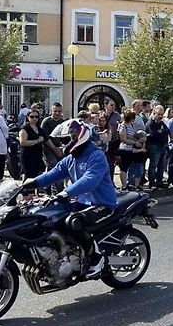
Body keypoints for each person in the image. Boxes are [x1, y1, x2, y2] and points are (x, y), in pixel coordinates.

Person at [24, 119, 117, 279]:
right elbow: (53, 174)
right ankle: (65, 254)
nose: (63, 143)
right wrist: (31, 183)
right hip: (81, 202)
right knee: (51, 218)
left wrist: (65, 193)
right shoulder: (72, 158)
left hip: (102, 203)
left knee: (74, 222)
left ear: (79, 136)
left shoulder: (96, 156)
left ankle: (96, 259)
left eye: (67, 139)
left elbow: (90, 180)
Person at [145, 105, 170, 189]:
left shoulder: (161, 122)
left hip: (162, 146)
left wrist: (161, 131)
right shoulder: (150, 123)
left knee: (161, 165)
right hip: (154, 146)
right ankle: (152, 182)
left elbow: (167, 130)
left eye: (161, 114)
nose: (160, 116)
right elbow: (153, 134)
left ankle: (159, 181)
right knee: (153, 165)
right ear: (154, 113)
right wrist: (161, 132)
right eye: (158, 114)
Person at [19, 109, 46, 180]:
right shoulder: (24, 128)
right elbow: (23, 142)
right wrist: (37, 140)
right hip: (27, 155)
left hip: (38, 155)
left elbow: (46, 139)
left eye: (36, 117)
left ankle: (35, 191)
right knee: (28, 176)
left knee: (37, 175)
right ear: (28, 117)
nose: (34, 118)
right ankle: (26, 190)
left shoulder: (39, 128)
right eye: (32, 117)